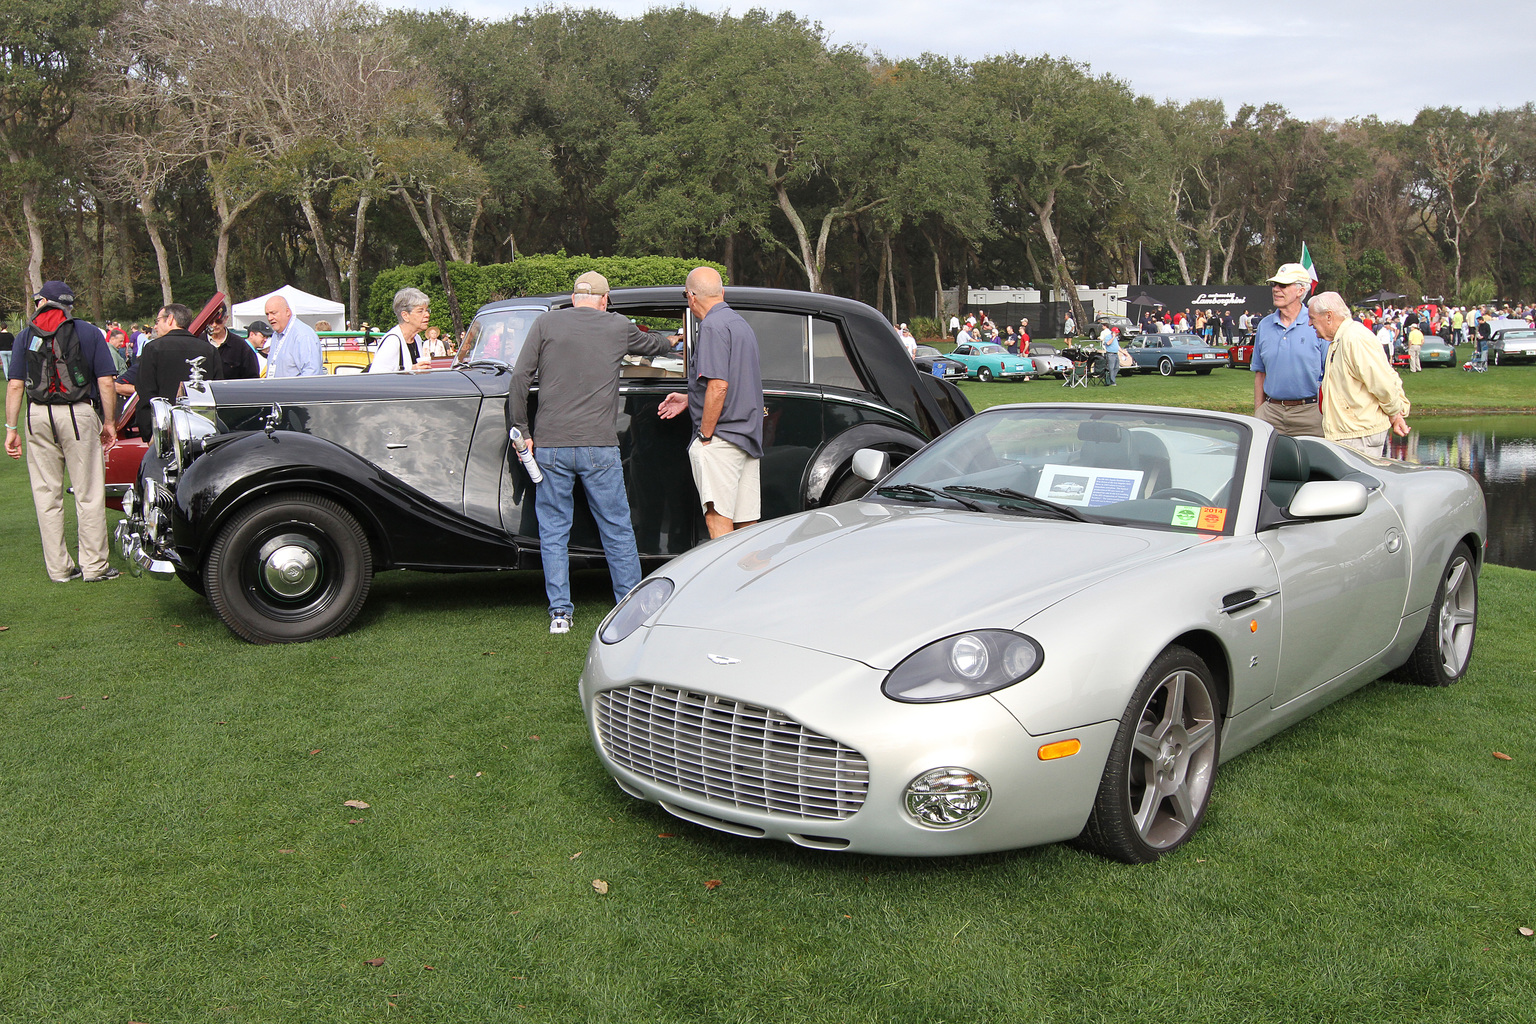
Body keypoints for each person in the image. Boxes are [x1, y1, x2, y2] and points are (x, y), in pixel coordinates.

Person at [509, 271, 674, 634]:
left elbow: (520, 377)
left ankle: (560, 615)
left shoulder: (545, 322)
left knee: (553, 531)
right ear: (603, 299)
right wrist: (675, 338)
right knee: (616, 528)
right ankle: (630, 610)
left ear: (573, 297)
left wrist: (522, 428)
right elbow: (658, 346)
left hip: (551, 443)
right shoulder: (617, 326)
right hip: (600, 444)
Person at [4, 281, 120, 582]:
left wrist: (11, 429)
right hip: (78, 413)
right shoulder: (89, 331)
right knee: (88, 492)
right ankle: (94, 566)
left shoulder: (26, 333)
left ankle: (59, 569)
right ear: (69, 304)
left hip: (37, 415)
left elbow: (15, 384)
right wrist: (109, 422)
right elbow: (106, 380)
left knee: (47, 495)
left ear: (44, 301)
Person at [657, 265, 764, 541]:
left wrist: (705, 434)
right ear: (722, 292)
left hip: (721, 439)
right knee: (747, 525)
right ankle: (752, 583)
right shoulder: (740, 324)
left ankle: (725, 584)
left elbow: (719, 386)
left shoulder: (712, 327)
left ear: (691, 296)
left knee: (717, 520)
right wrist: (690, 398)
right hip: (746, 438)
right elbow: (735, 382)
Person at [1309, 292, 1409, 455]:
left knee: (1359, 482)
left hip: (1359, 438)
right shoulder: (1341, 338)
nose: (1309, 323)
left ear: (1328, 316)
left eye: (1312, 318)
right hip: (1351, 436)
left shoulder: (1355, 338)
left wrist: (1395, 413)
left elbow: (1383, 383)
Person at [1251, 263, 1329, 437]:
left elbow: (1331, 373)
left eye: (1283, 285)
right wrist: (1259, 412)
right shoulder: (1264, 325)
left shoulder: (1316, 324)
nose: (1276, 289)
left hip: (1311, 414)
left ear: (1301, 291)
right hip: (1271, 414)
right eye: (1274, 285)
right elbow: (1260, 373)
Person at [135, 303, 222, 437]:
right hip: (202, 428)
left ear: (170, 319)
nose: (156, 327)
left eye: (157, 321)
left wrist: (149, 432)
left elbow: (146, 392)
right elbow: (217, 390)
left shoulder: (153, 348)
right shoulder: (209, 350)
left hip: (165, 428)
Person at [369, 287, 434, 373]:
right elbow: (377, 378)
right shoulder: (392, 341)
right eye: (420, 311)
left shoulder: (417, 338)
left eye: (427, 310)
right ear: (405, 316)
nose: (427, 314)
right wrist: (411, 371)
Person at [264, 295, 322, 377]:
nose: (269, 318)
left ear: (287, 312)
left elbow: (311, 373)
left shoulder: (303, 335)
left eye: (273, 313)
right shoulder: (276, 335)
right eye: (267, 314)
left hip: (294, 389)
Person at [207, 305, 261, 380]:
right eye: (211, 321)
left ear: (226, 319)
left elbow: (252, 378)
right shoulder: (199, 342)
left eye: (218, 321)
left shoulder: (241, 346)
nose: (214, 325)